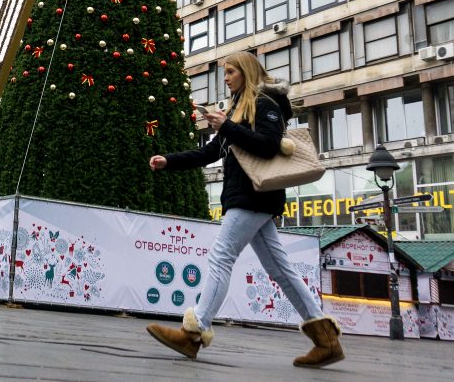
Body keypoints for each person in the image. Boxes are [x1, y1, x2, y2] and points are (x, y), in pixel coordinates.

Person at [145, 51, 344, 368]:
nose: (225, 78)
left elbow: (267, 145)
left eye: (231, 72)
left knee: (221, 255)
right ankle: (326, 340)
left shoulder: (266, 105)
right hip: (249, 197)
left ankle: (193, 332)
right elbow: (211, 152)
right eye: (224, 73)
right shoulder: (237, 109)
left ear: (247, 73)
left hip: (254, 196)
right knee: (280, 269)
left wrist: (227, 126)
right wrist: (169, 160)